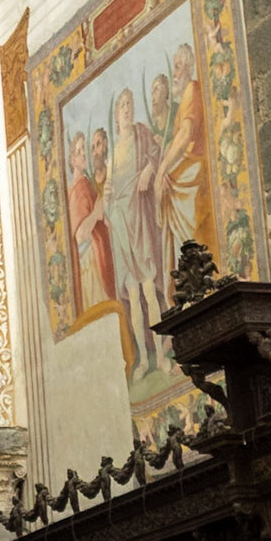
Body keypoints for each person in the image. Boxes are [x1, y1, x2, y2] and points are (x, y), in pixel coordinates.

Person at [107, 89, 165, 378]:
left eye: (130, 104)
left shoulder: (142, 135)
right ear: (117, 117)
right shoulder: (114, 154)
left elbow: (157, 156)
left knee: (148, 287)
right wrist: (107, 197)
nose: (127, 109)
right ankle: (143, 359)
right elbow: (108, 191)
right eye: (122, 105)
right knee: (133, 293)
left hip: (139, 219)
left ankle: (163, 354)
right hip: (121, 225)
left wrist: (149, 169)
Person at [155, 41, 214, 284]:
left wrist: (162, 170)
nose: (175, 73)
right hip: (186, 172)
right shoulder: (187, 95)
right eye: (175, 67)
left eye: (178, 67)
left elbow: (186, 134)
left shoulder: (192, 89)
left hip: (193, 176)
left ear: (188, 67)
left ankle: (193, 278)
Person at [67, 129, 115, 309]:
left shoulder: (86, 184)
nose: (84, 155)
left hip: (100, 257)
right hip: (93, 266)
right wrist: (96, 212)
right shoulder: (79, 189)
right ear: (73, 161)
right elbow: (79, 236)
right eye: (79, 152)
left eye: (84, 150)